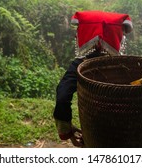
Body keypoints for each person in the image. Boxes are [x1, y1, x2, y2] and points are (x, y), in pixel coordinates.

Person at [53, 10, 133, 147]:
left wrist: (66, 130)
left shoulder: (81, 65)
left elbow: (62, 96)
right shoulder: (121, 67)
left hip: (101, 129)